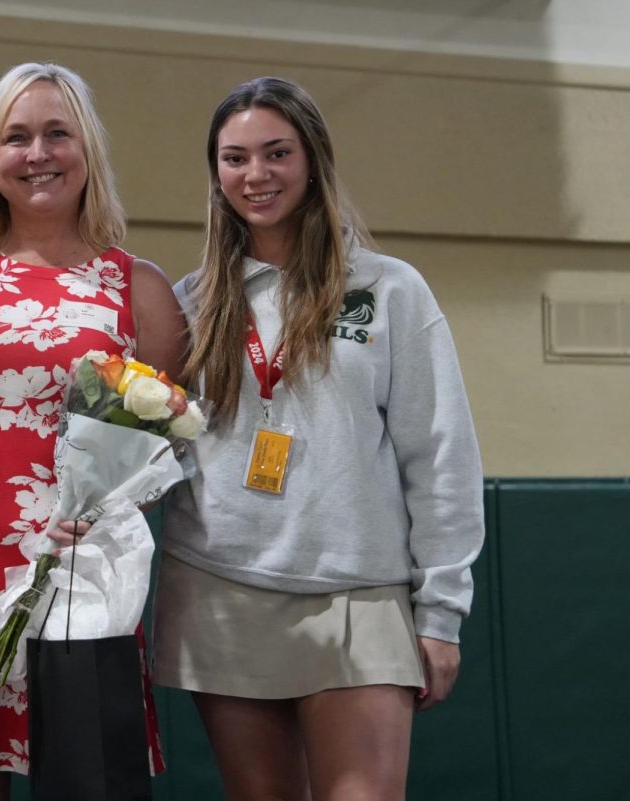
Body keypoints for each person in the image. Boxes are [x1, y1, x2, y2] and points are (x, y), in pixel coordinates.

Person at [155, 76, 485, 800]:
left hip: (358, 592)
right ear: (215, 173)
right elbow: (158, 449)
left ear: (313, 160)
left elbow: (441, 457)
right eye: (235, 157)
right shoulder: (191, 301)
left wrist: (441, 612)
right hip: (221, 585)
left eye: (277, 153)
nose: (256, 174)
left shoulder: (390, 290)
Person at [0, 62, 188, 800]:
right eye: (16, 136)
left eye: (58, 133)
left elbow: (166, 447)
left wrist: (107, 521)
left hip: (84, 574)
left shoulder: (138, 287)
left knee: (90, 781)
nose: (38, 154)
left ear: (87, 150)